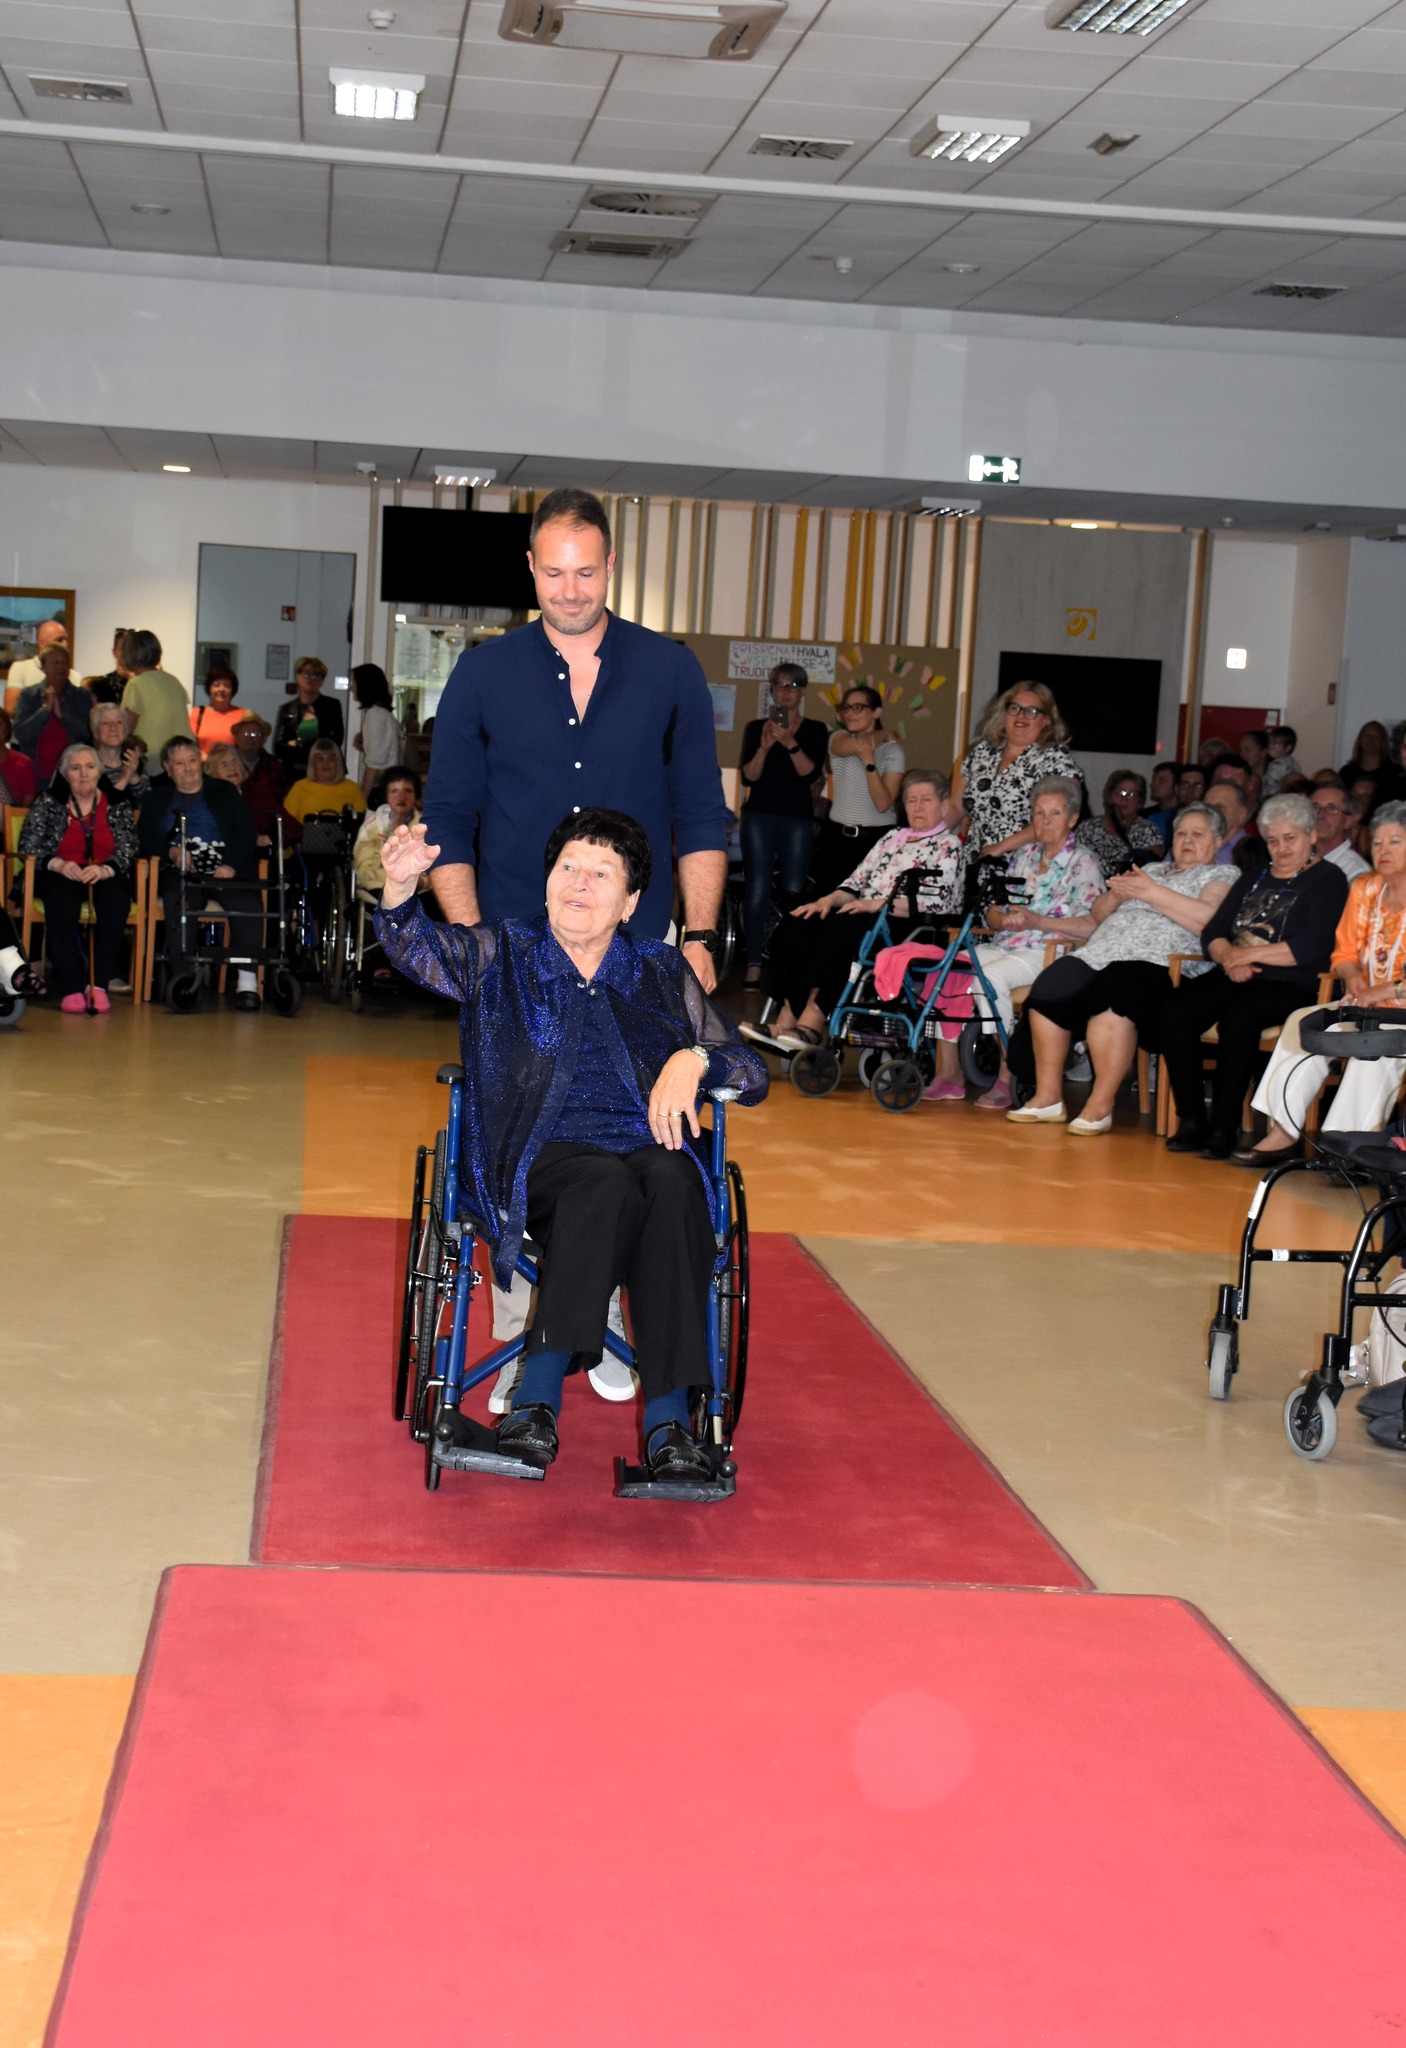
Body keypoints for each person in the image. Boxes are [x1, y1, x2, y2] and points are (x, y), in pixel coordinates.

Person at [374, 806, 768, 1483]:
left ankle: (670, 1427)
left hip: (647, 1151)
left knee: (676, 1181)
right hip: (533, 1157)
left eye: (601, 873)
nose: (579, 883)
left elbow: (752, 1073)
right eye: (568, 868)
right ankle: (535, 1406)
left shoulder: (659, 969)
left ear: (631, 902)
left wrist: (697, 1058)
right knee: (602, 1181)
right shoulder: (503, 953)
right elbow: (415, 949)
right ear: (548, 880)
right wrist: (401, 887)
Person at [422, 487, 729, 990]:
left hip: (639, 945)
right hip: (512, 947)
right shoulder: (480, 674)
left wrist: (699, 936)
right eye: (554, 573)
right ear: (530, 565)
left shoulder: (671, 670)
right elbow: (447, 819)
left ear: (610, 564)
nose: (570, 591)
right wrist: (473, 941)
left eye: (585, 573)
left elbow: (701, 815)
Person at [1005, 802, 1232, 1132]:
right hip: (1100, 953)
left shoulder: (1221, 875)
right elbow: (1099, 914)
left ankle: (1100, 1105)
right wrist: (1116, 896)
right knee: (1051, 988)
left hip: (1158, 961)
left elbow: (1207, 920)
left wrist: (1151, 893)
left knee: (1116, 994)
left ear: (1219, 840)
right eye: (1181, 833)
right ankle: (1048, 1097)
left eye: (1198, 834)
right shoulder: (1152, 869)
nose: (1187, 840)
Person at [1162, 793, 1349, 1159]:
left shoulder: (1328, 879)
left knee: (1240, 1016)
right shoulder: (1253, 877)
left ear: (1311, 835)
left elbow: (1311, 945)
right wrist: (1229, 958)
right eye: (1273, 840)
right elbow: (1213, 932)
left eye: (1290, 838)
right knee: (1175, 1007)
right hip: (1235, 972)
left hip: (1293, 982)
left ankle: (1224, 1127)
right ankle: (1192, 1119)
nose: (1281, 848)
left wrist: (1243, 955)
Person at [743, 769, 965, 1057]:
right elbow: (855, 882)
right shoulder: (893, 837)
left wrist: (877, 904)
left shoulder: (948, 845)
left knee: (842, 927)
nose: (918, 807)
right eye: (912, 800)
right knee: (802, 919)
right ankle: (786, 1018)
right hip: (866, 915)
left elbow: (939, 902)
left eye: (926, 800)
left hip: (910, 926)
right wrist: (826, 902)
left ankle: (812, 1021)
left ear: (944, 806)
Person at [1233, 803, 1406, 1164]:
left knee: (1372, 1049)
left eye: (1395, 842)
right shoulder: (1365, 887)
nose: (1383, 851)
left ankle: (1350, 1151)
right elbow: (1343, 951)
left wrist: (1383, 992)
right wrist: (1353, 977)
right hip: (1362, 1004)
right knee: (1303, 1022)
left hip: (1399, 1014)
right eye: (1377, 843)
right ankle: (1283, 1132)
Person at [961, 776, 1103, 1112]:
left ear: (1073, 818)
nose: (1045, 821)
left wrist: (1038, 922)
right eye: (1039, 813)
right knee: (953, 967)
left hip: (1050, 951)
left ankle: (1007, 1068)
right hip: (1008, 943)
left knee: (989, 977)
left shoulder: (1084, 863)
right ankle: (948, 1073)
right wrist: (1000, 920)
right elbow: (995, 910)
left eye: (1055, 813)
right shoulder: (1023, 856)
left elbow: (1093, 926)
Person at [138, 734, 264, 1011]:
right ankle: (183, 979)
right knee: (180, 902)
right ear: (168, 769)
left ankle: (247, 984)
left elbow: (246, 833)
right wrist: (171, 852)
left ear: (200, 761)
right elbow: (145, 836)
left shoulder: (224, 792)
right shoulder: (157, 797)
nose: (187, 768)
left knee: (248, 906)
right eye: (179, 763)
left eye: (192, 760)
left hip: (226, 871)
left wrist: (229, 864)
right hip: (180, 873)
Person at [17, 743, 138, 1013]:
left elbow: (129, 846)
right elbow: (29, 844)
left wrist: (106, 869)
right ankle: (71, 986)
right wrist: (58, 864)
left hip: (104, 871)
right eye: (75, 768)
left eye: (90, 767)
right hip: (61, 871)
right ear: (65, 774)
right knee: (60, 900)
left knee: (116, 899)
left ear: (99, 772)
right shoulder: (49, 801)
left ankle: (98, 986)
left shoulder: (117, 802)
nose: (83, 774)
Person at [737, 662, 826, 986]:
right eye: (780, 686)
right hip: (759, 816)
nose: (785, 692)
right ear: (772, 690)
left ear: (802, 692)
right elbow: (749, 776)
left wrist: (789, 741)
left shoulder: (815, 729)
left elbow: (810, 774)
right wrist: (764, 747)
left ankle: (788, 963)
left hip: (797, 818)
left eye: (792, 686)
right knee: (757, 888)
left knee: (794, 891)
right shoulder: (756, 727)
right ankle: (753, 962)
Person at [954, 683, 1083, 903]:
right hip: (975, 865)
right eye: (1015, 708)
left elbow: (1059, 819)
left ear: (1046, 719)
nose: (1021, 716)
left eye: (1032, 711)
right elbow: (954, 807)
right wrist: (922, 833)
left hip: (1026, 867)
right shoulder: (982, 751)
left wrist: (1002, 847)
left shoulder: (1056, 759)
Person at [808, 685, 906, 898]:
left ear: (876, 712)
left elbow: (883, 804)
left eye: (858, 707)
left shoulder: (892, 751)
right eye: (846, 708)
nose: (850, 713)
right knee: (827, 903)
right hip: (837, 839)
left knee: (867, 905)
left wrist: (870, 763)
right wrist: (884, 734)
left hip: (876, 840)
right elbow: (856, 745)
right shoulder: (838, 737)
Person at [12, 645, 93, 784]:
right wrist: (45, 710)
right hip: (35, 773)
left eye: (64, 662)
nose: (61, 667)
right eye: (55, 662)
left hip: (71, 775)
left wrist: (63, 716)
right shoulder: (29, 695)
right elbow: (21, 734)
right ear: (43, 666)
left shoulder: (81, 695)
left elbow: (88, 733)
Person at [1076, 769, 1163, 879]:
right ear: (1110, 796)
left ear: (1140, 802)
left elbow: (1153, 868)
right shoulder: (1088, 827)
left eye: (1132, 794)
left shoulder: (1148, 830)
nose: (1124, 799)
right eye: (1121, 792)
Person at [119, 631, 190, 760]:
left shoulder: (136, 684)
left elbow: (126, 728)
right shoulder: (173, 680)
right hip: (183, 752)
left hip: (153, 755)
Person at [272, 657, 344, 783]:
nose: (310, 679)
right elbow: (279, 748)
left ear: (322, 681)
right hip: (293, 774)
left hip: (326, 771)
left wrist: (297, 743)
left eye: (316, 675)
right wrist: (313, 745)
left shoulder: (332, 705)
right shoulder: (287, 709)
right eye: (306, 674)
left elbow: (336, 741)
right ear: (298, 677)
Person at [353, 769, 423, 895]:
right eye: (394, 791)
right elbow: (364, 866)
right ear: (386, 796)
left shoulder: (424, 826)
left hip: (416, 888)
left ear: (416, 795)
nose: (401, 797)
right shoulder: (373, 826)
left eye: (408, 791)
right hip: (377, 884)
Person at [282, 739, 367, 826]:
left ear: (338, 762)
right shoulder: (300, 788)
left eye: (330, 759)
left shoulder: (353, 789)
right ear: (313, 763)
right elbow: (286, 824)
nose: (325, 763)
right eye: (320, 759)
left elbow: (364, 826)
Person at [230, 712, 287, 845]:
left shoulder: (274, 765)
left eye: (255, 734)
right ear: (236, 738)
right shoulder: (225, 763)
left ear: (263, 740)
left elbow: (281, 799)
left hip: (267, 833)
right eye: (246, 734)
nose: (250, 738)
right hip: (232, 829)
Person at [349, 665, 404, 796]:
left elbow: (375, 765)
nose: (352, 687)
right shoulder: (382, 713)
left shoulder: (375, 715)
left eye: (354, 682)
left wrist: (362, 798)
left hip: (381, 790)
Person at [90, 701, 148, 807]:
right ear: (95, 732)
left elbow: (149, 805)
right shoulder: (87, 765)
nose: (113, 728)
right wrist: (124, 778)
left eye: (119, 722)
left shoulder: (133, 760)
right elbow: (99, 809)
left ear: (125, 731)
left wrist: (134, 778)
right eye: (105, 723)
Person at [1310, 782, 1370, 881]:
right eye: (1315, 808)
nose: (1320, 815)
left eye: (1332, 809)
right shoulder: (1296, 859)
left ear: (1348, 821)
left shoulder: (1356, 873)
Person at [5, 618, 68, 709]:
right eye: (59, 640)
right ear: (42, 643)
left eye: (66, 640)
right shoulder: (20, 668)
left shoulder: (74, 676)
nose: (65, 644)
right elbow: (11, 709)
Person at [1340, 720, 1402, 812]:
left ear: (1383, 742)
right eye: (1367, 735)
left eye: (1376, 736)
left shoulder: (1395, 773)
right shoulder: (1346, 772)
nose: (1371, 739)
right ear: (1360, 740)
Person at [189, 670, 251, 756]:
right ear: (209, 689)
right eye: (216, 685)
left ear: (233, 691)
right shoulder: (198, 712)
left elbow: (249, 746)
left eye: (227, 686)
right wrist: (207, 760)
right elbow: (189, 744)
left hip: (233, 763)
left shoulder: (243, 715)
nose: (221, 689)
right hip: (203, 763)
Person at [1205, 776, 1252, 867]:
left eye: (1219, 808)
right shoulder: (1189, 845)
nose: (1211, 813)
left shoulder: (1253, 853)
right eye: (1206, 808)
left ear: (1241, 814)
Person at [86, 628, 132, 707]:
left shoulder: (142, 683)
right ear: (114, 652)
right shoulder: (103, 684)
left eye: (131, 648)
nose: (127, 652)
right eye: (122, 648)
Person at [0, 708, 36, 807]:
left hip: (15, 814)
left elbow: (28, 798)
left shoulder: (23, 763)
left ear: (7, 728)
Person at [1144, 763, 1179, 849]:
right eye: (1154, 780)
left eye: (1161, 781)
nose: (1153, 785)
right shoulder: (1145, 815)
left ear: (1176, 786)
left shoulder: (1185, 815)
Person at [1262, 725, 1302, 797]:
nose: (1271, 747)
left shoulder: (1276, 764)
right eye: (1270, 743)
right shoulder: (1294, 763)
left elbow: (1270, 787)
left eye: (1276, 744)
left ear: (1288, 748)